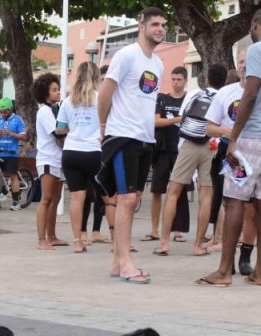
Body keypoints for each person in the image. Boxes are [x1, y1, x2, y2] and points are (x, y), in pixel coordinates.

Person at [198, 8, 261, 287]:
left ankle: (224, 271)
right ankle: (260, 272)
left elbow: (250, 93)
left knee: (235, 200)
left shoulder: (256, 51)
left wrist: (236, 137)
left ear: (254, 26)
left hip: (252, 137)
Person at [97, 6, 166, 284]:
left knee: (133, 199)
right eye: (155, 25)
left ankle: (117, 261)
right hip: (123, 136)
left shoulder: (158, 65)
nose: (160, 29)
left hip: (146, 138)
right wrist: (103, 127)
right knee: (124, 199)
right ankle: (125, 262)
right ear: (142, 26)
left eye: (163, 25)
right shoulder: (126, 56)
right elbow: (104, 95)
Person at [153, 65, 225, 257]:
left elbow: (183, 117)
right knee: (206, 196)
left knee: (173, 192)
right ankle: (198, 245)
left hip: (189, 145)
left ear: (207, 79)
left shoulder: (194, 95)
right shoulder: (225, 98)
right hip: (212, 147)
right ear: (224, 81)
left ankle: (164, 242)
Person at [205, 50, 258, 275]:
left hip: (256, 151)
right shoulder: (225, 93)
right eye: (241, 62)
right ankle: (229, 255)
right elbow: (208, 127)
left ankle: (246, 254)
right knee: (231, 205)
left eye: (249, 62)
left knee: (252, 207)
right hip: (229, 152)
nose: (245, 66)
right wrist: (229, 130)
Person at [58, 61, 114, 254]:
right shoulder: (102, 99)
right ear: (97, 78)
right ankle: (116, 240)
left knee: (76, 198)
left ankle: (77, 241)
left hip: (71, 152)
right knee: (108, 197)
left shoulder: (67, 101)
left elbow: (60, 128)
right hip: (95, 152)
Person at [143, 66, 189, 245]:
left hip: (182, 151)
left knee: (179, 191)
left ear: (185, 81)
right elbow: (156, 121)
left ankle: (177, 230)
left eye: (179, 80)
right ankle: (155, 229)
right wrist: (176, 120)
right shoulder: (162, 99)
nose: (176, 83)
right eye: (174, 79)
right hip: (162, 150)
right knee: (157, 190)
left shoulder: (188, 100)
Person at [33, 73, 67, 250]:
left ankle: (52, 236)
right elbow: (58, 133)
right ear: (45, 92)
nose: (58, 93)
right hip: (47, 159)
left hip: (59, 159)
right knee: (46, 199)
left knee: (56, 199)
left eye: (58, 89)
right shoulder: (44, 112)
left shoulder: (55, 109)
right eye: (54, 90)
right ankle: (41, 240)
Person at [0, 97, 27, 210]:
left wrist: (10, 133)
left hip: (11, 153)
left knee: (12, 176)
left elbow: (23, 136)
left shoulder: (17, 120)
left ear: (10, 109)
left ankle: (16, 202)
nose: (3, 113)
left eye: (5, 111)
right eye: (1, 112)